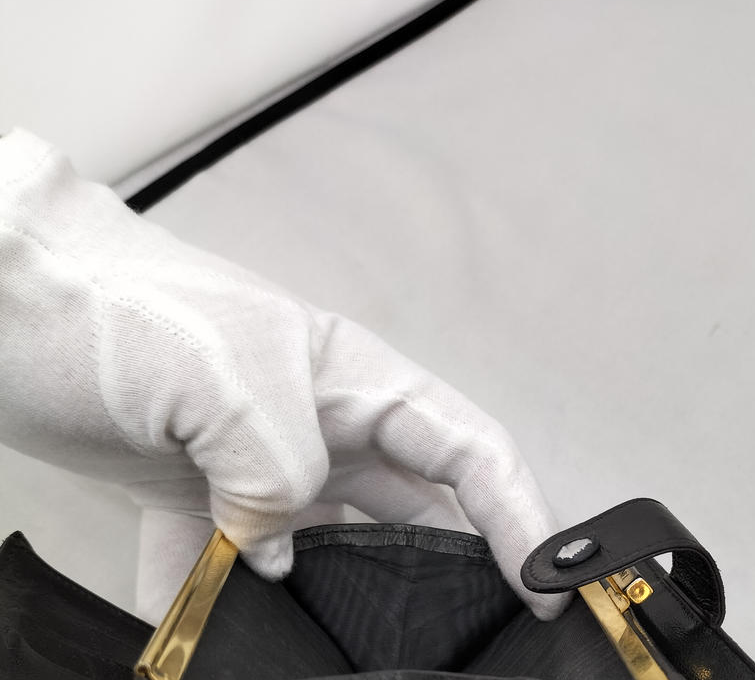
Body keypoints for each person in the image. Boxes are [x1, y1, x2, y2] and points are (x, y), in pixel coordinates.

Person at [0, 128, 564, 622]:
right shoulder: (154, 337)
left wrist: (45, 253)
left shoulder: (156, 334)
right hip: (165, 470)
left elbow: (261, 460)